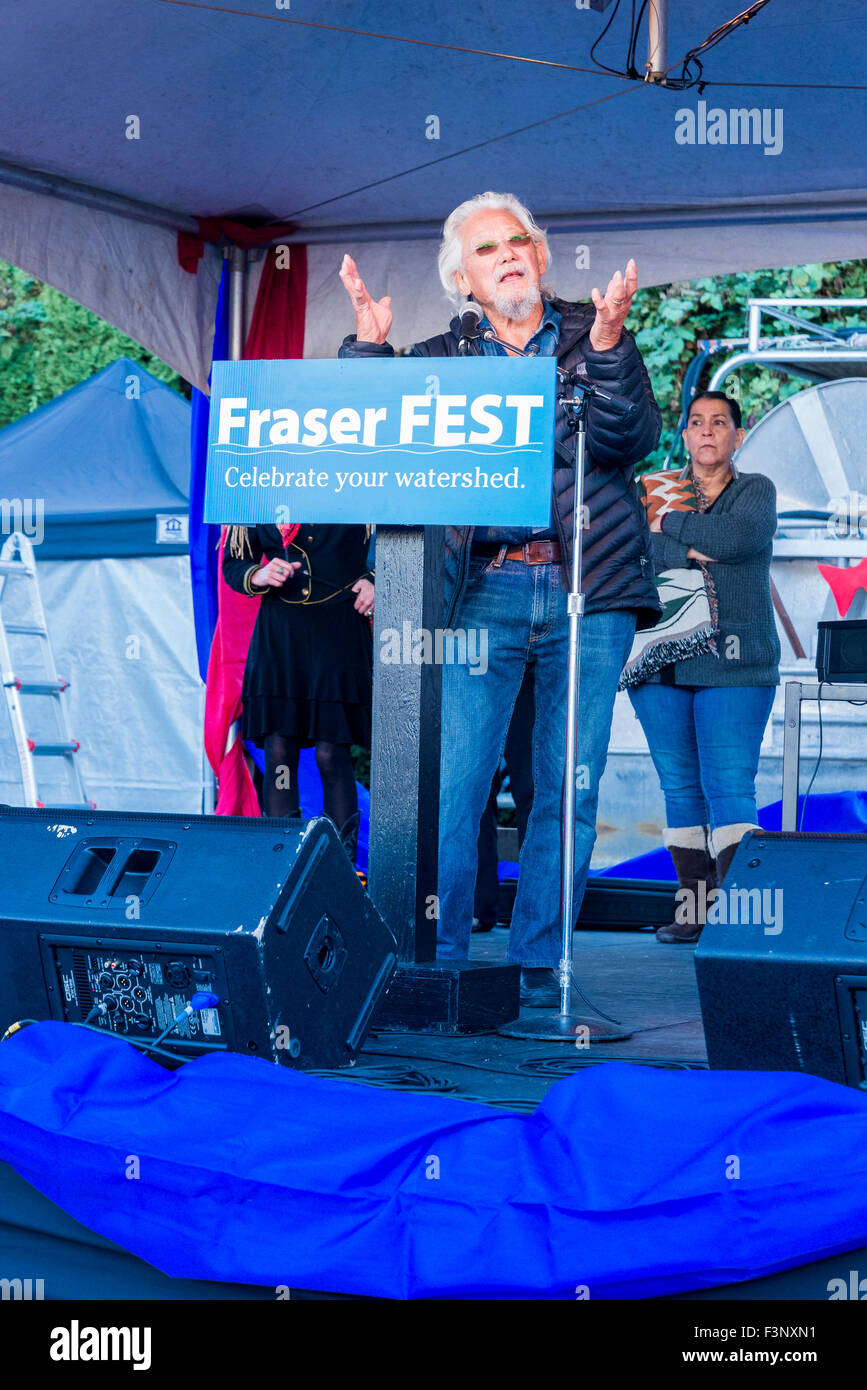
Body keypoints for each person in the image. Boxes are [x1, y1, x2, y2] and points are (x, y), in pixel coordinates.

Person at [338, 191, 661, 1006]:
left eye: (519, 240)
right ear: (462, 278)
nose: (509, 252)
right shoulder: (436, 357)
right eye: (488, 248)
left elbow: (628, 439)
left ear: (541, 257)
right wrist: (370, 354)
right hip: (480, 588)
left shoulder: (596, 337)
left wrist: (612, 339)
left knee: (567, 789)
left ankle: (535, 976)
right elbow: (379, 441)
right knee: (453, 789)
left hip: (590, 588)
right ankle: (435, 971)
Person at [628, 391, 781, 944]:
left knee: (729, 785)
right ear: (686, 435)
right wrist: (689, 544)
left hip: (737, 662)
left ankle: (736, 918)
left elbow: (741, 538)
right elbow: (644, 556)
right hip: (661, 664)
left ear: (737, 436)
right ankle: (695, 912)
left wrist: (673, 527)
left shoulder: (754, 491)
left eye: (720, 423)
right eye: (697, 423)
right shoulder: (655, 489)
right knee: (680, 790)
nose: (708, 431)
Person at [221, 523, 374, 863]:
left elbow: (395, 536)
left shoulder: (359, 476)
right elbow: (234, 563)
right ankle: (282, 867)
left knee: (331, 755)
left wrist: (376, 578)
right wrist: (258, 574)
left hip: (339, 629)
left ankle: (340, 873)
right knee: (278, 751)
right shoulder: (259, 485)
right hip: (280, 635)